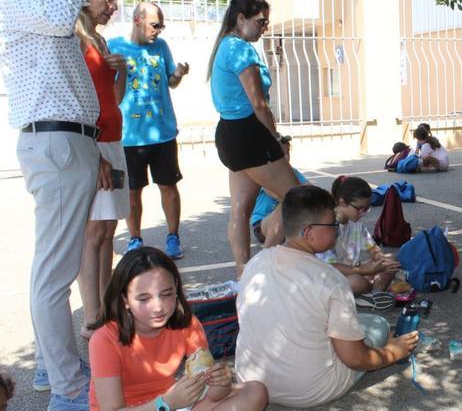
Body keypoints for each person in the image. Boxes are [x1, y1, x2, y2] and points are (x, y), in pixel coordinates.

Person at [0, 0, 107, 407]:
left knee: (56, 268)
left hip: (70, 143)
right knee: (54, 273)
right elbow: (59, 18)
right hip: (56, 142)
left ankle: (54, 369)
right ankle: (65, 385)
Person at [235, 185, 419, 407]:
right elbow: (355, 359)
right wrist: (393, 352)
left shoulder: (255, 263)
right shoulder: (330, 279)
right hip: (310, 390)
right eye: (332, 224)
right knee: (376, 323)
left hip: (251, 382)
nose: (337, 229)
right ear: (308, 232)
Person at [88, 247, 268, 411]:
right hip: (147, 406)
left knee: (255, 392)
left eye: (166, 294)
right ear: (125, 300)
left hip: (173, 401)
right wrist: (165, 403)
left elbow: (212, 393)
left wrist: (221, 382)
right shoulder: (105, 339)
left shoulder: (186, 323)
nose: (158, 307)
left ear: (176, 289)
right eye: (144, 299)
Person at [207, 0, 303, 277]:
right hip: (249, 133)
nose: (264, 28)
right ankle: (264, 268)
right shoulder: (240, 49)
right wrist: (276, 138)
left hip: (229, 133)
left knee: (240, 208)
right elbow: (258, 103)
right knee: (296, 198)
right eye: (260, 22)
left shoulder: (225, 46)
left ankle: (243, 274)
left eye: (266, 22)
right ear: (240, 19)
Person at [74, 0, 129, 340]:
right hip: (94, 145)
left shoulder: (100, 39)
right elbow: (76, 101)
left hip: (113, 139)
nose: (113, 6)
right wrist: (93, 155)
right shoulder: (74, 37)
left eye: (116, 0)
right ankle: (92, 318)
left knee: (109, 229)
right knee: (93, 232)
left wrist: (121, 69)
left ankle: (106, 307)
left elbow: (115, 98)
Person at [109, 1, 189, 259]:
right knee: (132, 190)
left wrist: (178, 74)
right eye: (155, 25)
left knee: (168, 186)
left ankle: (173, 237)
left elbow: (171, 82)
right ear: (137, 20)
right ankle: (135, 239)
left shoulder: (161, 47)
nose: (158, 31)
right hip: (130, 136)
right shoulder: (115, 47)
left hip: (163, 132)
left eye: (161, 26)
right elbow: (109, 90)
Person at [320, 175, 399, 302]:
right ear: (342, 203)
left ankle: (375, 292)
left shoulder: (355, 222)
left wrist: (380, 259)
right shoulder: (329, 226)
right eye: (360, 209)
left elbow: (372, 247)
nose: (363, 213)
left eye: (367, 209)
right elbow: (329, 267)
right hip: (331, 276)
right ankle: (372, 289)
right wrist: (362, 270)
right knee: (357, 281)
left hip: (354, 269)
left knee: (391, 259)